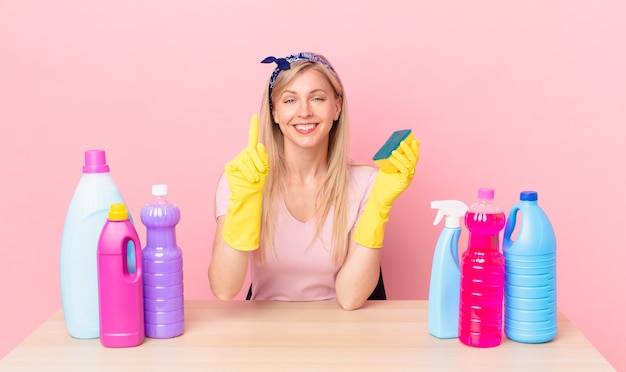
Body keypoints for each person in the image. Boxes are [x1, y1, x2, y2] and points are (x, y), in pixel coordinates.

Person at [209, 52, 420, 310]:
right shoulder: (243, 178)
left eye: (317, 98)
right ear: (275, 113)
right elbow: (224, 288)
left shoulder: (366, 182)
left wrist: (378, 207)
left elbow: (350, 298)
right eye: (290, 100)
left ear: (337, 107)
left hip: (339, 334)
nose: (305, 112)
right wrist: (244, 201)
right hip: (263, 334)